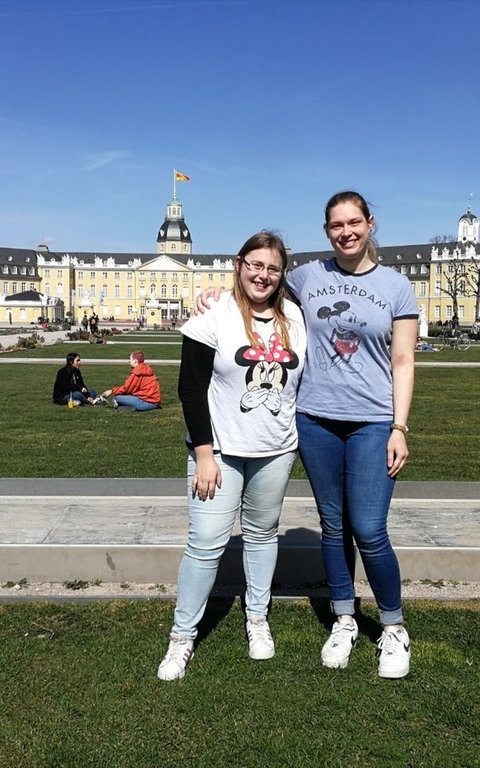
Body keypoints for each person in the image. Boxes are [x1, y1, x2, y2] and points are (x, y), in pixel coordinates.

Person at [196, 191, 418, 680]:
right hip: (314, 418)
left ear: (369, 223)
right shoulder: (307, 278)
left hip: (373, 419)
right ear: (327, 231)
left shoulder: (397, 286)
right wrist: (213, 296)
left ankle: (393, 626)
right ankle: (343, 618)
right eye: (336, 225)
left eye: (354, 222)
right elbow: (258, 285)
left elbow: (403, 359)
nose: (346, 232)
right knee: (333, 525)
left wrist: (399, 426)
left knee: (370, 528)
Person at [156, 231, 306, 682]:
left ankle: (257, 619)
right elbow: (189, 387)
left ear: (282, 273)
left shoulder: (294, 317)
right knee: (205, 545)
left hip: (276, 450)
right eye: (255, 265)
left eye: (273, 268)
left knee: (262, 535)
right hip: (219, 452)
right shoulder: (215, 315)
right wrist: (204, 454)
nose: (263, 275)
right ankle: (182, 637)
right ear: (239, 264)